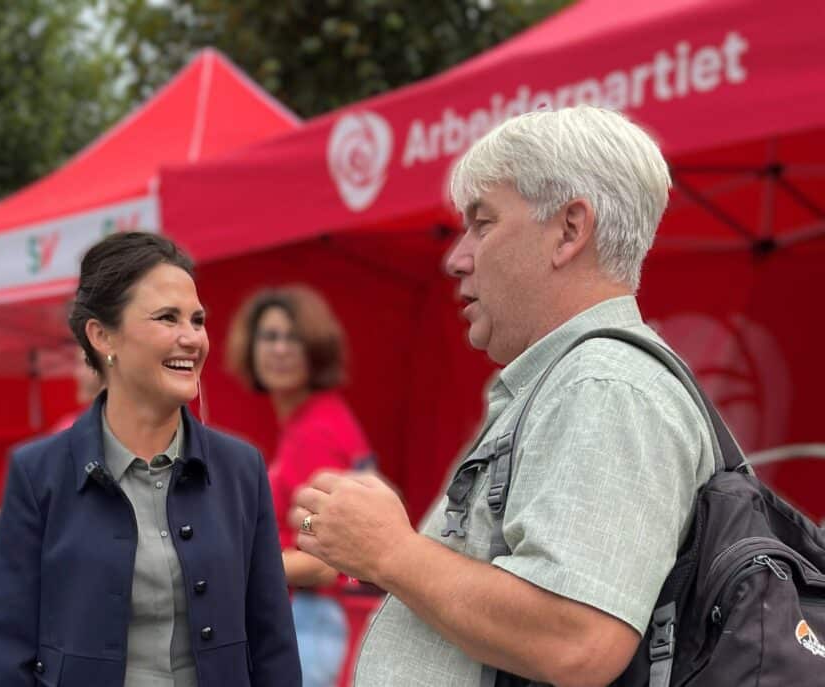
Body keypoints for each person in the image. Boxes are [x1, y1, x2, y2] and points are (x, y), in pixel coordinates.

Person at [289, 105, 717, 686]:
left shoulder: (605, 386)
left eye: (483, 223)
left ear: (570, 230)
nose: (457, 257)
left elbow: (576, 638)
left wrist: (390, 550)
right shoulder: (584, 381)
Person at [0, 232, 301, 687]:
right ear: (102, 336)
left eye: (197, 320)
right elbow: (5, 649)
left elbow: (273, 643)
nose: (192, 338)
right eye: (168, 318)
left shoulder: (241, 469)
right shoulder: (38, 473)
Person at [227, 286, 376, 687]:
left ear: (316, 347)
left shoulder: (316, 433)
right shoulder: (311, 423)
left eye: (293, 337)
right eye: (269, 336)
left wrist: (232, 565)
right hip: (310, 622)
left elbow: (323, 563)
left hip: (309, 622)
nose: (279, 349)